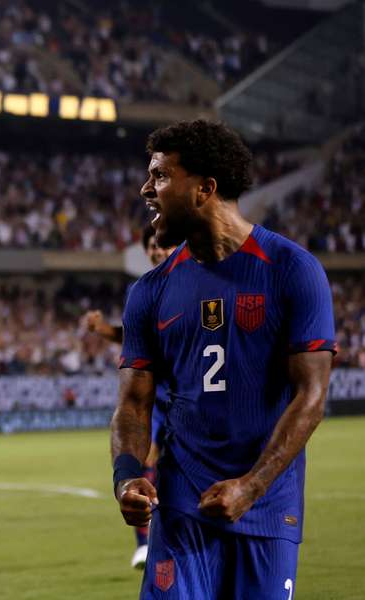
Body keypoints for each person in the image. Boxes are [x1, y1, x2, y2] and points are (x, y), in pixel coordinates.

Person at [111, 120, 335, 599]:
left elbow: (311, 396)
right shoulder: (150, 292)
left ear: (204, 189)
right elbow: (133, 404)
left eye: (161, 176)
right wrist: (127, 477)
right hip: (180, 509)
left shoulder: (292, 271)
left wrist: (251, 487)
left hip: (268, 507)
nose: (146, 188)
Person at [83, 225, 175, 569]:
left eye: (164, 244)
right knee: (144, 459)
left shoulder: (196, 284)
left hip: (188, 392)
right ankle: (144, 542)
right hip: (155, 392)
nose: (157, 251)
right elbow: (136, 339)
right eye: (152, 246)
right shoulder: (145, 291)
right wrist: (106, 332)